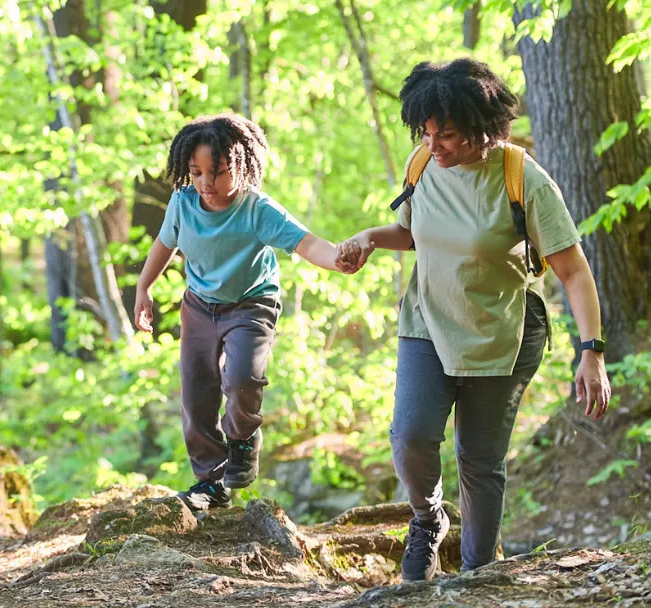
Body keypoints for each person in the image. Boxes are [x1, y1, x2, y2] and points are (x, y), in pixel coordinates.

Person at [338, 58, 611, 581]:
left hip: (502, 332)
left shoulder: (520, 177)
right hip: (428, 320)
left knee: (479, 459)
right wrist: (370, 238)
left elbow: (573, 271)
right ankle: (427, 518)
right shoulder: (422, 165)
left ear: (485, 131)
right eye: (426, 132)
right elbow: (412, 234)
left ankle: (477, 576)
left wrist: (591, 351)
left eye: (449, 136)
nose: (434, 144)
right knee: (411, 435)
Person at [134, 113, 351, 511]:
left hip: (251, 304)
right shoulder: (183, 203)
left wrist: (339, 258)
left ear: (240, 164)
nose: (205, 184)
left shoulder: (257, 209)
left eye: (216, 172)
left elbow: (307, 243)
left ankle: (244, 439)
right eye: (196, 173)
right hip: (199, 306)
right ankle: (210, 483)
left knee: (241, 379)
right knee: (197, 391)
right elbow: (164, 245)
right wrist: (143, 287)